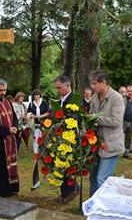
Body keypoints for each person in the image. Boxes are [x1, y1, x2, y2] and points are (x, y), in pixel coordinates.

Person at [89, 69, 125, 197]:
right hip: (96, 145)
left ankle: (104, 211)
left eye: (94, 84)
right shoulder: (94, 98)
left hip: (111, 146)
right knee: (93, 178)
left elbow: (116, 121)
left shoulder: (117, 98)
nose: (92, 87)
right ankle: (92, 208)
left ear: (103, 82)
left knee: (102, 179)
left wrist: (94, 118)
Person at [54, 75, 80, 203]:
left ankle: (70, 191)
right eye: (56, 88)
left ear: (68, 85)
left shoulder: (74, 100)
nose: (57, 90)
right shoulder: (61, 100)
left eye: (59, 88)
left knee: (66, 164)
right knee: (60, 164)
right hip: (60, 137)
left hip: (70, 138)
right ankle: (67, 191)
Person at [27, 89, 50, 156]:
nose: (36, 96)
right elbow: (28, 113)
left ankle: (43, 150)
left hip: (44, 123)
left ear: (40, 95)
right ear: (33, 96)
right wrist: (32, 116)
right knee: (35, 137)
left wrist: (40, 116)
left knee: (43, 136)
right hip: (35, 123)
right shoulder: (31, 104)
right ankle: (36, 151)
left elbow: (48, 113)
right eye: (35, 95)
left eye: (38, 95)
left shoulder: (44, 102)